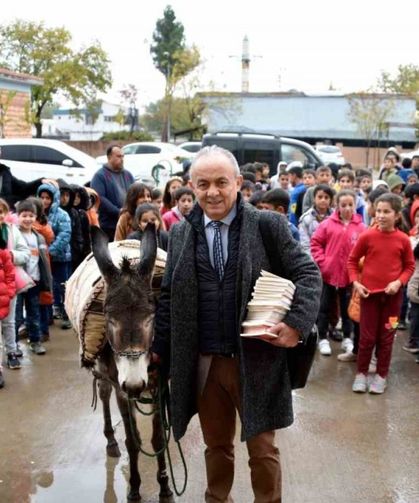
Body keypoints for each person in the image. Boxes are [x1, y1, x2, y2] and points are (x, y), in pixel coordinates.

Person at [151, 145, 321, 502]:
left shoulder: (267, 225)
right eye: (202, 184)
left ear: (238, 183)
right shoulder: (181, 234)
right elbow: (167, 298)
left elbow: (308, 273)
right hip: (205, 365)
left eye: (221, 182)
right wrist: (159, 354)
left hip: (256, 361)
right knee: (216, 447)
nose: (212, 192)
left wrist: (295, 324)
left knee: (262, 449)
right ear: (191, 187)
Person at [348, 193, 415, 393]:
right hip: (369, 298)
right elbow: (352, 261)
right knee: (366, 338)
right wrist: (356, 284)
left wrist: (399, 282)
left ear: (396, 215)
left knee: (387, 337)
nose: (381, 215)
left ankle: (381, 375)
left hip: (393, 301)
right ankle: (361, 373)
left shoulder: (403, 240)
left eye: (387, 211)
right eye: (378, 211)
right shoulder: (367, 236)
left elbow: (409, 266)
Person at [311, 189, 366, 356]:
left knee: (347, 309)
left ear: (355, 205)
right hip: (328, 275)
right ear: (337, 206)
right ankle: (323, 338)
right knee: (324, 307)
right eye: (343, 205)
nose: (347, 208)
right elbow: (316, 243)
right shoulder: (327, 224)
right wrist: (323, 262)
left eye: (351, 205)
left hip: (351, 277)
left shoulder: (362, 227)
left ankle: (347, 338)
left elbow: (366, 251)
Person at [15, 200, 53, 356]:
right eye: (24, 215)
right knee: (16, 315)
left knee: (34, 312)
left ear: (36, 217)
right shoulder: (13, 234)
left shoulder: (39, 237)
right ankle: (14, 344)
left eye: (31, 215)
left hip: (35, 280)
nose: (28, 219)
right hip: (17, 281)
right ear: (17, 216)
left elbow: (44, 261)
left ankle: (35, 341)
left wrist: (46, 280)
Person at [0, 198, 30, 369]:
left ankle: (12, 351)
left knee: (9, 321)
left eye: (1, 211)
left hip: (9, 283)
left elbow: (25, 253)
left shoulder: (12, 230)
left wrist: (9, 256)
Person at [36, 183, 71, 329]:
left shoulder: (62, 215)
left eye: (48, 198)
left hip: (59, 257)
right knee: (47, 288)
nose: (45, 201)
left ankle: (66, 313)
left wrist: (51, 251)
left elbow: (65, 235)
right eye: (42, 197)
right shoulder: (36, 213)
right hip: (43, 260)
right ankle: (48, 315)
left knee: (61, 286)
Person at [91, 145, 135, 241]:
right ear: (109, 157)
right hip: (109, 225)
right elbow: (100, 198)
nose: (122, 159)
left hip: (128, 224)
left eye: (123, 156)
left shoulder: (128, 175)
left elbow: (135, 193)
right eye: (118, 156)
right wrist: (118, 211)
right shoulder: (100, 176)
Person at [0, 228, 16, 388]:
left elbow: (11, 274)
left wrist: (10, 293)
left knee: (9, 325)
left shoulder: (3, 253)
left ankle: (12, 351)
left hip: (6, 298)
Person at [298, 184, 334, 254]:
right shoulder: (306, 219)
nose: (323, 200)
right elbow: (305, 245)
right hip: (313, 257)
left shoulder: (336, 217)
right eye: (320, 197)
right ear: (314, 199)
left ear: (331, 200)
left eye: (326, 198)